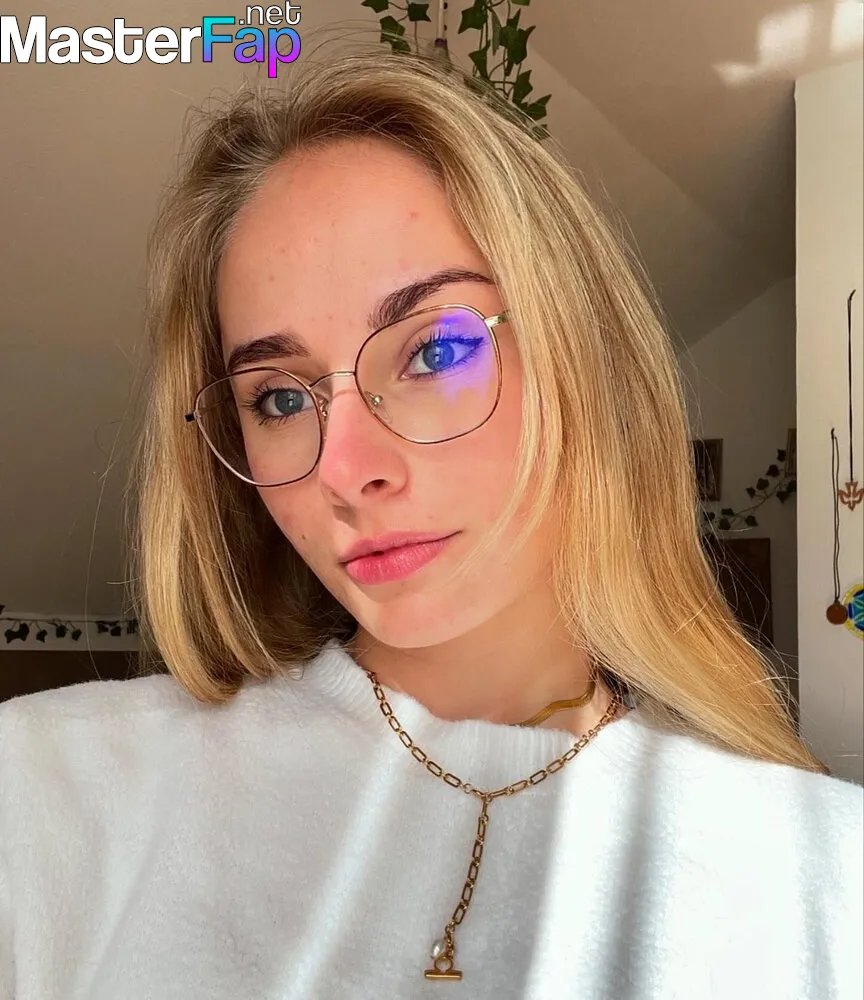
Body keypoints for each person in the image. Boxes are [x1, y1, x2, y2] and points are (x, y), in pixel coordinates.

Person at [0, 44, 861, 1000]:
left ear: (585, 357)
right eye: (279, 398)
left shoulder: (819, 878)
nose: (346, 471)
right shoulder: (51, 794)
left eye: (436, 350)